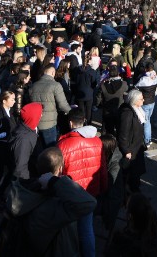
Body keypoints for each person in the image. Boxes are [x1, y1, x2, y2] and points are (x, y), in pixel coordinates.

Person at [5, 147, 97, 256]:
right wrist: (55, 182)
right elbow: (89, 203)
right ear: (60, 169)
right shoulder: (56, 205)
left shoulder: (19, 191)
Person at [57, 108, 107, 257]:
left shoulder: (63, 144)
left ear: (71, 123)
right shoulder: (97, 141)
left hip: (71, 193)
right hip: (90, 192)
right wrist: (103, 188)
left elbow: (59, 172)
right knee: (87, 229)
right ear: (84, 120)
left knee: (70, 230)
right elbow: (102, 167)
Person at [28, 64, 70, 147]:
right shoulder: (56, 85)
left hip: (35, 122)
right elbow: (62, 105)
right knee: (50, 150)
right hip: (49, 123)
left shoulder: (33, 85)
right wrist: (72, 112)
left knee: (39, 150)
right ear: (53, 73)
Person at [117, 89, 146, 194]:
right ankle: (128, 193)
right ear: (134, 100)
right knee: (129, 172)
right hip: (131, 149)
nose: (143, 100)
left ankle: (135, 189)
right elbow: (123, 134)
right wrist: (126, 150)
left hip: (137, 146)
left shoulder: (137, 110)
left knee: (136, 171)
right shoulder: (127, 113)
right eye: (141, 99)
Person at [10, 102, 43, 181]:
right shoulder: (24, 140)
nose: (41, 115)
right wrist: (27, 183)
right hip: (28, 179)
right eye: (40, 113)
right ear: (33, 117)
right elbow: (20, 168)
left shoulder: (31, 129)